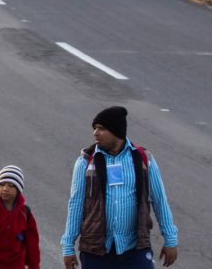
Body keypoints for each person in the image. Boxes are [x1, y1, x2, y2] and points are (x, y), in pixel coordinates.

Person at [61, 106, 179, 269]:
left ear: (116, 131)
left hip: (135, 248)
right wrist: (68, 247)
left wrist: (170, 239)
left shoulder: (144, 159)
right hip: (95, 250)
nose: (95, 133)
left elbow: (159, 200)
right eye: (95, 128)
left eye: (101, 128)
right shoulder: (85, 162)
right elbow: (75, 204)